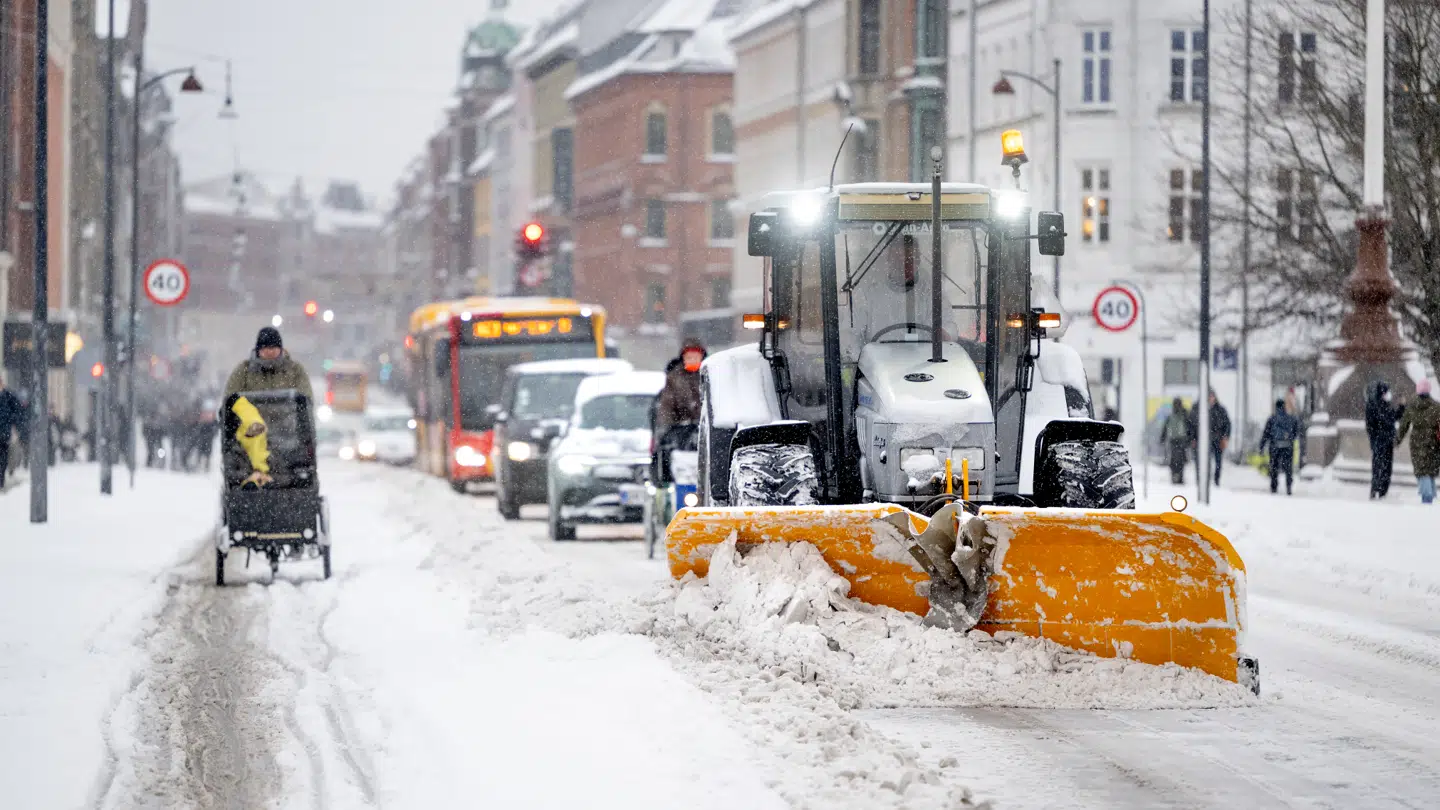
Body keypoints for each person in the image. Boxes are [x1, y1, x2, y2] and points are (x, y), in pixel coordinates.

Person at [223, 327, 314, 402]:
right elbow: (230, 396)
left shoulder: (295, 369)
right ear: (258, 350)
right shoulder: (244, 370)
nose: (270, 351)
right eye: (266, 347)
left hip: (289, 418)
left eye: (274, 347)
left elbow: (306, 396)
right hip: (252, 419)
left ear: (281, 349)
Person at [1394, 378, 1438, 504]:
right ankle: (1431, 495)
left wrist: (1397, 441)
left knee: (1422, 471)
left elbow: (1403, 426)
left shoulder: (1412, 407)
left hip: (1417, 443)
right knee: (1430, 470)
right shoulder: (1436, 407)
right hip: (1433, 443)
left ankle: (1427, 496)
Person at [655, 341, 704, 436]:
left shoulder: (710, 375)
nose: (692, 360)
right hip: (681, 430)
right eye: (689, 357)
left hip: (705, 429)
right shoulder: (674, 377)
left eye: (696, 357)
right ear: (683, 358)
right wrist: (667, 430)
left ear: (702, 357)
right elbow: (666, 406)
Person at [1365, 381, 1403, 499]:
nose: (1389, 394)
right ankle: (1377, 489)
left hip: (1386, 442)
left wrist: (1401, 407)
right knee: (1380, 467)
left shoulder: (1385, 406)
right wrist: (1376, 438)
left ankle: (1381, 490)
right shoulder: (1374, 406)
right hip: (1380, 442)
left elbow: (1394, 417)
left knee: (1385, 467)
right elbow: (1375, 424)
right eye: (1387, 392)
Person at [1258, 398, 1301, 495]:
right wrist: (1290, 440)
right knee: (1288, 468)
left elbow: (1266, 434)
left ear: (1276, 407)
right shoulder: (1291, 418)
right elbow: (1296, 431)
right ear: (1284, 406)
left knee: (1274, 467)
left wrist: (1261, 446)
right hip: (1288, 446)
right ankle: (1288, 486)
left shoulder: (1272, 419)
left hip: (1275, 446)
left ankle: (1274, 486)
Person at [1190, 389, 1231, 487]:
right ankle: (1202, 480)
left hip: (1217, 440)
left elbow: (1227, 424)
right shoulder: (1197, 409)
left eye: (1212, 396)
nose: (1210, 398)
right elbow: (1191, 424)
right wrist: (1192, 438)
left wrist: (1225, 437)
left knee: (1217, 462)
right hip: (1201, 440)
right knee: (1202, 462)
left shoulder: (1220, 410)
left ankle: (1216, 480)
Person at [0, 378, 25, 489]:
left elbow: (18, 412)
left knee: (3, 458)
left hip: (4, 433)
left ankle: (1, 480)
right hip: (4, 431)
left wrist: (13, 422)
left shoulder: (8, 396)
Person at [1163, 397, 1190, 485]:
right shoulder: (1172, 416)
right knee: (1174, 460)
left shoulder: (1184, 415)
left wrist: (1189, 439)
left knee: (1180, 460)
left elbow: (1189, 428)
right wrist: (1163, 437)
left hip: (1181, 440)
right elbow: (1165, 428)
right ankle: (1175, 476)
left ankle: (1179, 477)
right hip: (1174, 440)